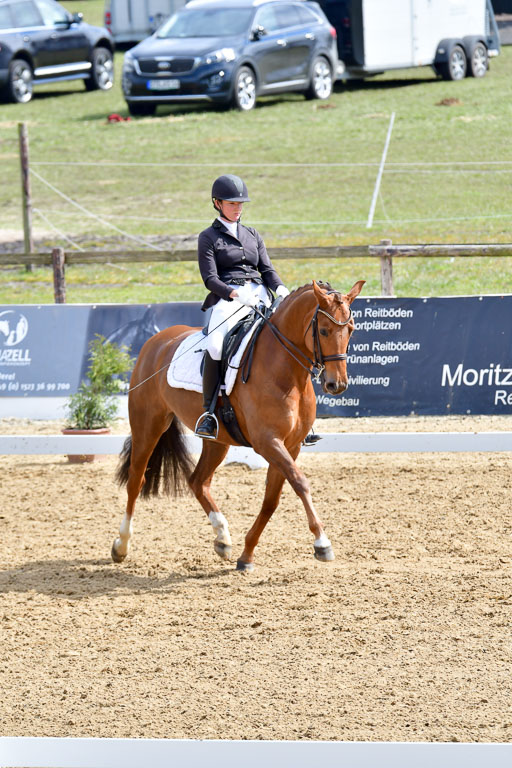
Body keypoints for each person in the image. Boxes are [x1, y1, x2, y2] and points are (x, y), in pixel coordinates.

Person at [195, 173, 289, 439]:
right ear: (217, 203)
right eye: (231, 204)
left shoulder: (252, 234)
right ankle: (209, 413)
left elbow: (266, 269)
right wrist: (234, 293)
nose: (237, 208)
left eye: (240, 204)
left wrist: (281, 288)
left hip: (259, 294)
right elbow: (210, 279)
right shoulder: (208, 237)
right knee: (214, 345)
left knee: (286, 337)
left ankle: (301, 414)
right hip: (229, 299)